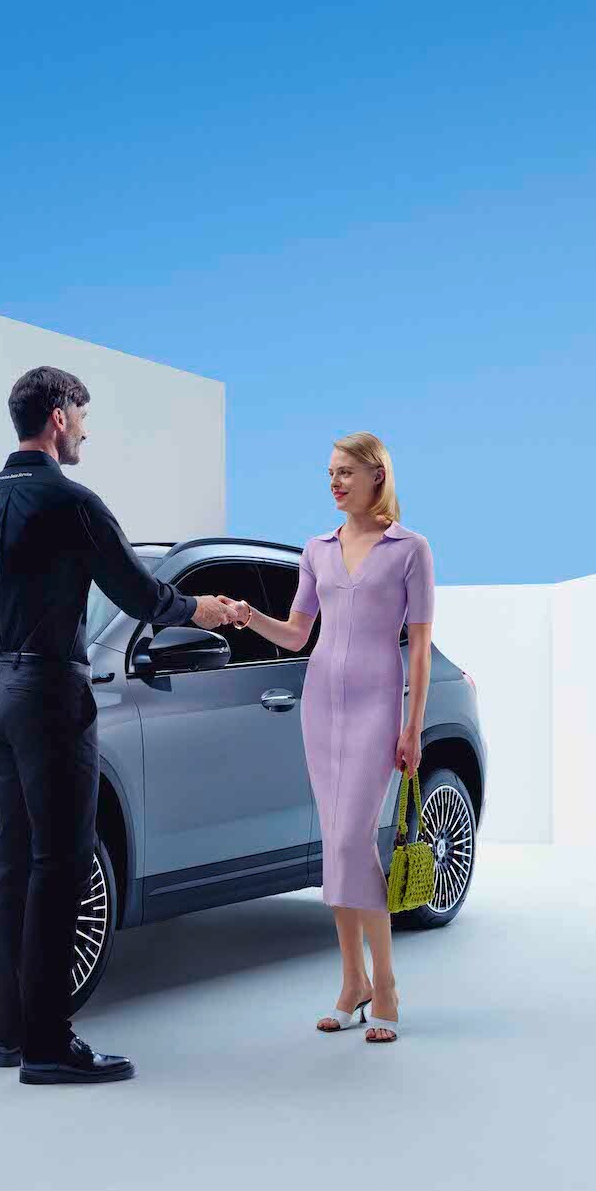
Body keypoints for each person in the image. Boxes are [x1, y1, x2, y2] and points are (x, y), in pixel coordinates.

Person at [0, 366, 240, 1085]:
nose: (85, 429)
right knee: (64, 864)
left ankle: (10, 1035)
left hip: (0, 690)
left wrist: (5, 672)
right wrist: (203, 611)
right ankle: (49, 1045)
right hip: (50, 690)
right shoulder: (72, 503)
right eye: (81, 415)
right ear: (57, 416)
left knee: (10, 862)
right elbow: (140, 594)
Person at [228, 432, 435, 1043]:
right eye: (329, 473)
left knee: (351, 841)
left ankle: (387, 982)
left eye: (346, 471)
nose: (335, 482)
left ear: (377, 475)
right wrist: (249, 616)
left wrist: (413, 724)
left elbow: (419, 645)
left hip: (378, 708)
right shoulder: (317, 550)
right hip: (320, 706)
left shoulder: (410, 549)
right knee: (337, 846)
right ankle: (353, 982)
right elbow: (297, 634)